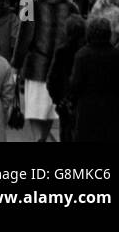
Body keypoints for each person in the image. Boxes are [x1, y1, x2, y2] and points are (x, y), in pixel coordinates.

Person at [14, 0, 78, 142]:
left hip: (36, 64)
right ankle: (42, 138)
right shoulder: (72, 7)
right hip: (60, 67)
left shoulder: (28, 4)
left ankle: (38, 139)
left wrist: (16, 63)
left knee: (34, 108)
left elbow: (23, 36)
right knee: (51, 109)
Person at [68, 15, 119, 142]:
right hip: (111, 109)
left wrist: (71, 103)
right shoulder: (117, 55)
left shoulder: (82, 55)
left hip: (87, 109)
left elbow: (75, 84)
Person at [45, 14, 87, 143]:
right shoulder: (86, 51)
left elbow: (51, 80)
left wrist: (58, 100)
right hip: (83, 103)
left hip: (65, 102)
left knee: (66, 134)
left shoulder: (62, 51)